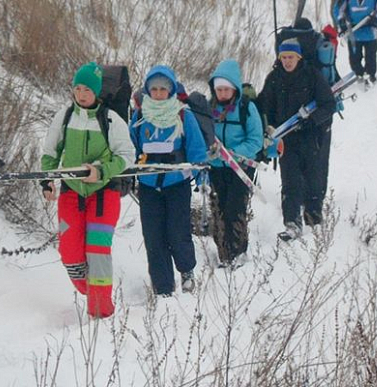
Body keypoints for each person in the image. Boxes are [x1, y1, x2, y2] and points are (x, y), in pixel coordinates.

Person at [40, 62, 135, 318]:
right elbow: (50, 152)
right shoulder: (65, 116)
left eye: (87, 90)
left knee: (97, 251)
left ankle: (101, 313)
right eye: (77, 88)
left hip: (104, 193)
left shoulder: (111, 120)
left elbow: (127, 156)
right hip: (71, 192)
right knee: (70, 253)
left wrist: (101, 170)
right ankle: (91, 291)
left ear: (97, 92)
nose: (81, 94)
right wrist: (47, 180)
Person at [129, 65, 207, 296]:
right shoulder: (140, 116)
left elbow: (196, 148)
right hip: (149, 185)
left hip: (177, 184)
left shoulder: (183, 115)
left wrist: (200, 173)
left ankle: (186, 271)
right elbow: (130, 146)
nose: (159, 93)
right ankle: (162, 286)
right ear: (147, 90)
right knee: (153, 236)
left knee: (178, 231)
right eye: (154, 88)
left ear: (171, 89)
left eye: (164, 88)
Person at [257, 38, 336, 241]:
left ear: (299, 57)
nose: (287, 61)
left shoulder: (312, 76)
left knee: (313, 178)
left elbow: (328, 104)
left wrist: (313, 122)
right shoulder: (274, 78)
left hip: (311, 137)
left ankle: (314, 221)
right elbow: (265, 106)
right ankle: (292, 223)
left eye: (291, 57)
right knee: (290, 181)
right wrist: (269, 126)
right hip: (286, 140)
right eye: (284, 57)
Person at [207, 59, 263, 268]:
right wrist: (210, 154)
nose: (222, 93)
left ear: (234, 89)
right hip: (216, 168)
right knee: (218, 209)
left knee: (235, 209)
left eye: (226, 89)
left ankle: (238, 253)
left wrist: (234, 153)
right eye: (219, 89)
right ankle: (223, 253)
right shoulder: (209, 108)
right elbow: (202, 137)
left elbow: (255, 140)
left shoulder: (247, 109)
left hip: (240, 168)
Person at [334, 0, 377, 84]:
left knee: (370, 57)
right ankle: (359, 75)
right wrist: (341, 22)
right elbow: (338, 9)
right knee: (354, 59)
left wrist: (376, 19)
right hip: (353, 34)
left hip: (370, 33)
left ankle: (370, 75)